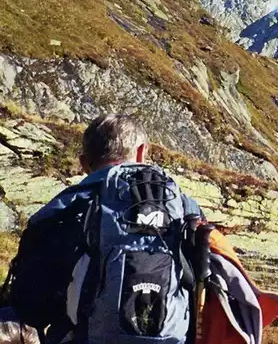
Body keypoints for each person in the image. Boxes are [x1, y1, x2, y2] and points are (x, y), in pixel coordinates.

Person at [3, 114, 203, 344]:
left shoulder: (65, 209)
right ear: (141, 152)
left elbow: (32, 309)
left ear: (84, 162)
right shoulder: (184, 206)